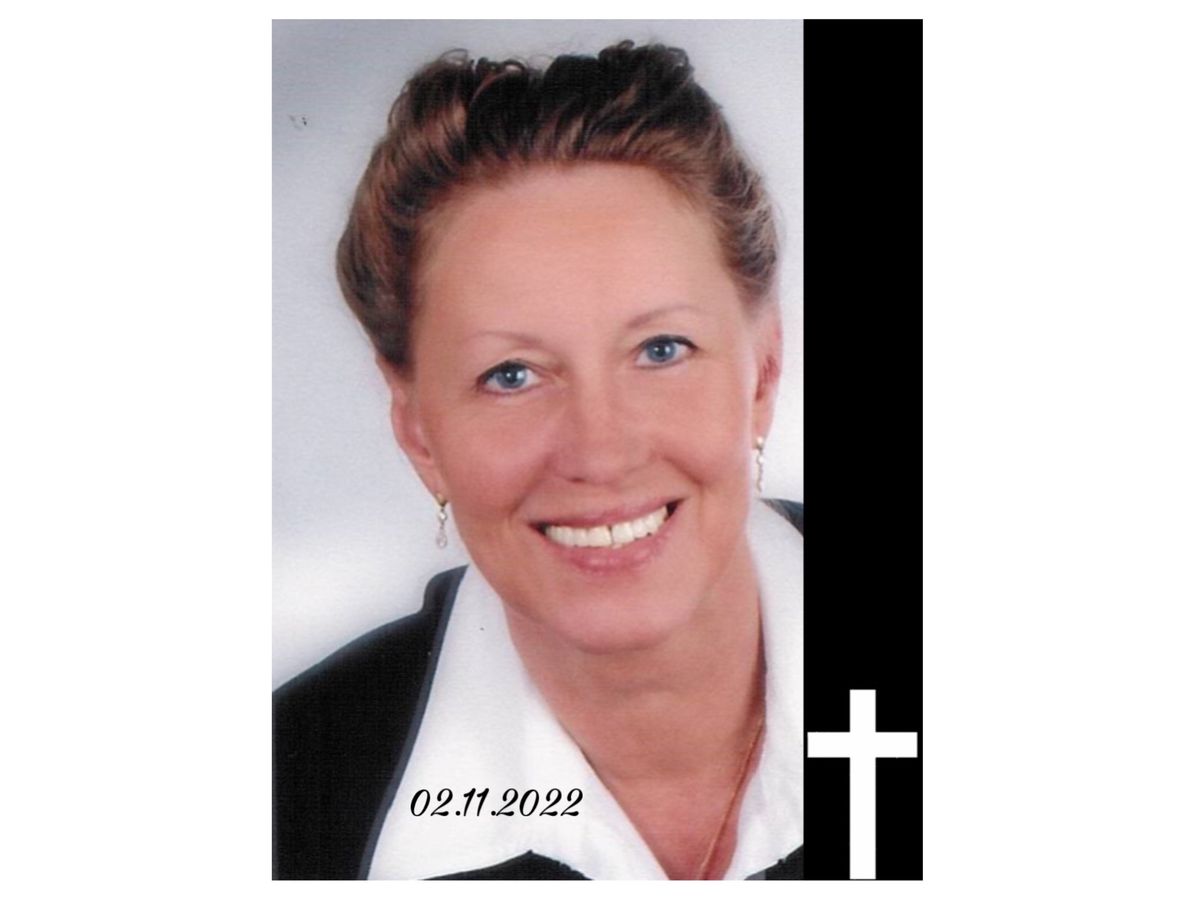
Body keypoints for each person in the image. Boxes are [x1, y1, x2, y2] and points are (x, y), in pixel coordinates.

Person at [273, 40, 804, 880]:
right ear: (418, 431)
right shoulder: (284, 803)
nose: (601, 451)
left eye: (661, 349)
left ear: (763, 373)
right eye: (511, 374)